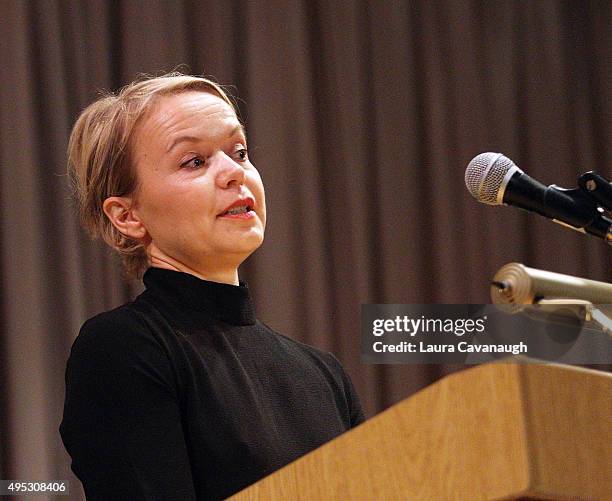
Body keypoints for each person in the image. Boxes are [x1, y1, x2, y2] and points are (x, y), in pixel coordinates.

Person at [60, 73, 365, 501]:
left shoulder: (323, 374)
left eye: (239, 152)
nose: (233, 173)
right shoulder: (123, 348)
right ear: (127, 216)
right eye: (194, 161)